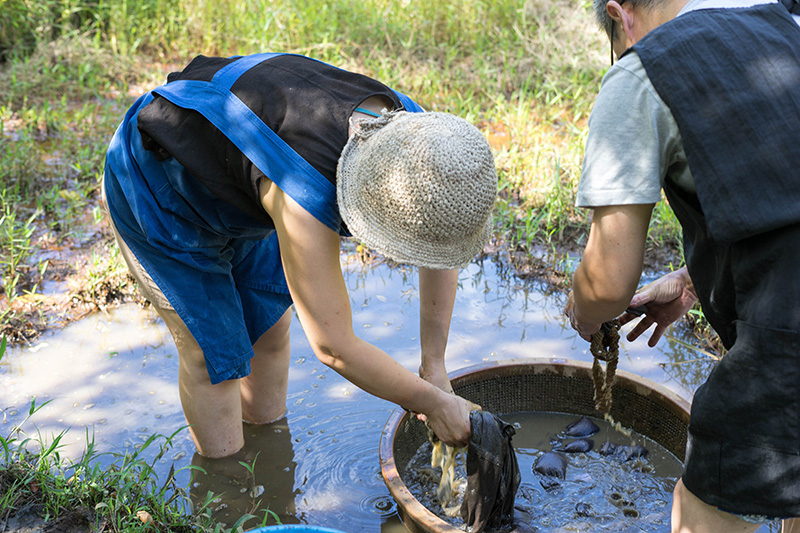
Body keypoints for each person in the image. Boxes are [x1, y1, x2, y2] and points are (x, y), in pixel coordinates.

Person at [102, 52, 497, 459]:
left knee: (269, 327)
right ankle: (228, 488)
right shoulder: (305, 191)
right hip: (163, 186)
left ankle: (268, 455)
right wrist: (430, 403)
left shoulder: (426, 142)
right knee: (213, 358)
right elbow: (334, 347)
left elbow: (442, 247)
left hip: (247, 176)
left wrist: (434, 364)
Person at [563, 0, 800, 531]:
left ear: (619, 16)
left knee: (708, 499)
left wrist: (584, 311)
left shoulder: (642, 70)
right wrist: (692, 281)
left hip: (789, 330)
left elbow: (606, 283)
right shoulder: (785, 24)